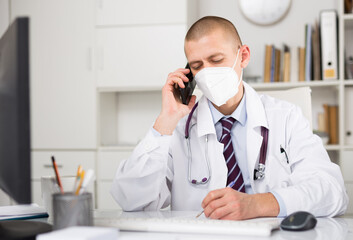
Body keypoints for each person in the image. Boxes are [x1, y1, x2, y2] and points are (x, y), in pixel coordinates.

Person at [111, 16, 348, 220]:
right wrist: (165, 120)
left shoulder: (286, 117)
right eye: (197, 66)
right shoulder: (177, 127)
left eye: (216, 60)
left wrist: (257, 204)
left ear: (243, 56)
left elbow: (332, 191)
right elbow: (131, 201)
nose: (207, 72)